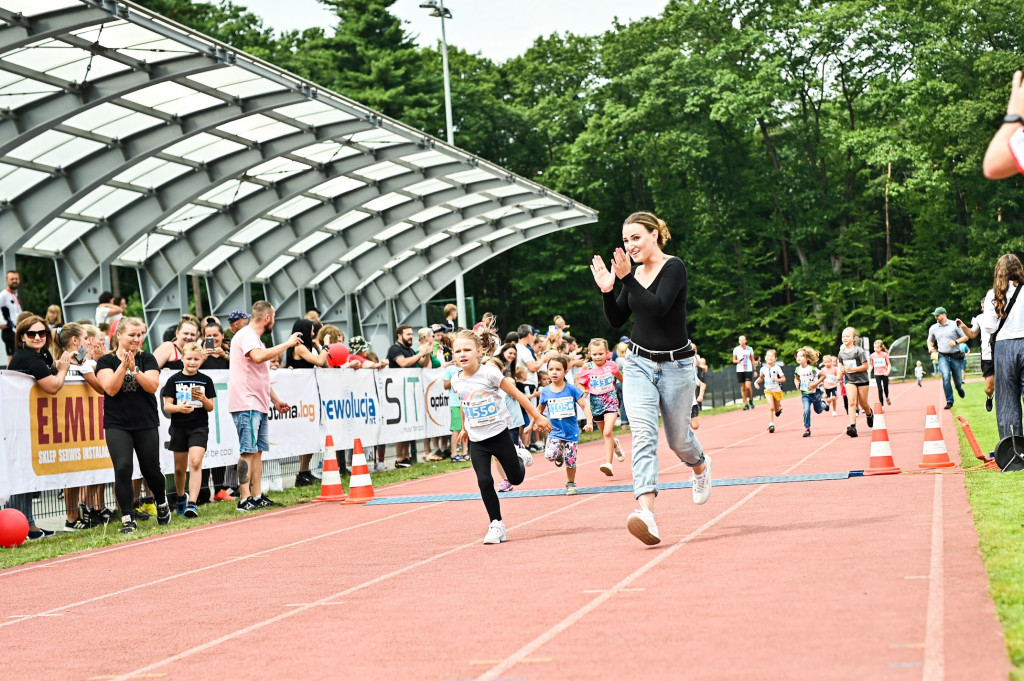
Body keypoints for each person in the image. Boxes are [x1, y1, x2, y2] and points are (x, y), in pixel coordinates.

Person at [591, 210, 711, 546]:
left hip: (677, 366)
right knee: (643, 434)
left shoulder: (674, 267)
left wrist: (628, 279)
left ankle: (699, 466)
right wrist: (607, 289)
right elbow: (617, 320)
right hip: (638, 365)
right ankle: (647, 514)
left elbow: (658, 307)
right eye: (625, 239)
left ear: (655, 234)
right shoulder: (633, 275)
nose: (629, 245)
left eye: (636, 238)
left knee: (678, 441)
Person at [451, 329, 550, 544]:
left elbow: (517, 394)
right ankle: (496, 524)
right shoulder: (456, 379)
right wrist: (465, 428)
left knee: (515, 478)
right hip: (478, 440)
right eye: (457, 351)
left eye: (467, 349)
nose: (462, 354)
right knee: (484, 480)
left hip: (498, 434)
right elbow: (464, 402)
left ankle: (519, 456)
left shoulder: (490, 373)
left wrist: (537, 416)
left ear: (479, 350)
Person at [96, 317, 171, 533]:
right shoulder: (105, 362)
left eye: (139, 335)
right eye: (132, 335)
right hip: (117, 423)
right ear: (118, 335)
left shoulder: (147, 358)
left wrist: (135, 370)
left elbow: (152, 386)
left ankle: (161, 501)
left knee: (151, 470)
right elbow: (110, 388)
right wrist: (123, 366)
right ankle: (128, 517)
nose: (137, 339)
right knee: (122, 468)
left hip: (145, 422)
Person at [229, 301, 302, 511]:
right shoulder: (247, 335)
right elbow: (259, 357)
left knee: (258, 451)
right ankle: (244, 499)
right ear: (267, 318)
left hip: (257, 403)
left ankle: (257, 495)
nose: (274, 322)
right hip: (246, 402)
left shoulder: (256, 339)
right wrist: (287, 344)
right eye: (274, 317)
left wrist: (276, 400)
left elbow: (261, 375)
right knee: (248, 451)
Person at [6, 315, 70, 538]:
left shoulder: (40, 353)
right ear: (22, 337)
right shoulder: (28, 358)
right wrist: (63, 370)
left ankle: (28, 524)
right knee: (20, 474)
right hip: (18, 422)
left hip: (28, 421)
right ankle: (17, 524)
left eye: (41, 333)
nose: (36, 337)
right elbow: (52, 386)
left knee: (26, 473)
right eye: (31, 334)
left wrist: (59, 363)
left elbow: (51, 365)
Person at [161, 342, 216, 518]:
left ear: (201, 360)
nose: (192, 362)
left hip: (199, 427)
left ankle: (192, 503)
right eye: (189, 359)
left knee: (195, 462)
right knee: (179, 468)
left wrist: (204, 398)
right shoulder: (173, 379)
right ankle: (180, 496)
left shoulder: (206, 380)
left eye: (196, 359)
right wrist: (180, 408)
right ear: (182, 358)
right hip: (179, 427)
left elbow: (210, 407)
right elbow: (167, 406)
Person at [978, 254, 1024, 441]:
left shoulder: (993, 295)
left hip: (1004, 346)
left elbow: (989, 327)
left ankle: (1014, 452)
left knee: (1007, 402)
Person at [539, 355, 593, 495]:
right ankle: (558, 455)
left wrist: (589, 422)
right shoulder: (545, 391)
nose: (554, 372)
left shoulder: (572, 389)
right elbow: (539, 410)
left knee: (571, 460)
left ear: (565, 372)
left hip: (570, 432)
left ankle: (570, 483)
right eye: (551, 369)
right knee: (550, 455)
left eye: (558, 369)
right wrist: (534, 423)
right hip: (554, 431)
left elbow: (585, 406)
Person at [578, 338, 625, 476]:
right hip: (596, 403)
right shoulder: (587, 367)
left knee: (606, 432)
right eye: (594, 354)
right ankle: (615, 445)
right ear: (590, 354)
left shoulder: (612, 366)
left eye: (600, 354)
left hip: (611, 401)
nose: (597, 357)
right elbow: (581, 383)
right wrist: (584, 390)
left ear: (607, 353)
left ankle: (609, 464)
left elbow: (621, 378)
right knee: (606, 433)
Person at [387, 324, 432, 467]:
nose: (411, 337)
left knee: (408, 426)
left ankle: (406, 457)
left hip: (409, 392)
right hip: (397, 393)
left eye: (412, 334)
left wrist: (428, 353)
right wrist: (420, 353)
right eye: (408, 334)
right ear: (399, 335)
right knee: (400, 427)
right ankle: (399, 458)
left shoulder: (409, 349)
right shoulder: (395, 349)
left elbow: (423, 364)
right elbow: (403, 363)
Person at [927, 307, 966, 409]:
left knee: (957, 380)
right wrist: (930, 347)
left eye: (938, 315)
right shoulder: (933, 328)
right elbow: (930, 340)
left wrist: (956, 342)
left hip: (955, 356)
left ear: (944, 314)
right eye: (935, 316)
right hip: (943, 356)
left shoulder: (954, 325)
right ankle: (949, 400)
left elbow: (965, 337)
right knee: (946, 377)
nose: (936, 317)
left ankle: (959, 387)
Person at [958, 301, 994, 411]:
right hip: (987, 356)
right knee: (989, 388)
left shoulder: (1001, 315)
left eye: (984, 306)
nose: (982, 309)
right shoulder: (979, 318)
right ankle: (989, 397)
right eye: (981, 307)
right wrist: (963, 326)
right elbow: (972, 334)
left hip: (1002, 354)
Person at [838, 327, 874, 437]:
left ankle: (869, 413)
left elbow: (865, 366)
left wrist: (853, 369)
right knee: (851, 402)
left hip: (862, 380)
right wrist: (841, 372)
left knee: (863, 403)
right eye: (843, 336)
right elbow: (841, 364)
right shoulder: (841, 352)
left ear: (854, 338)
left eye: (847, 336)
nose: (844, 338)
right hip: (850, 380)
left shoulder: (859, 351)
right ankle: (852, 427)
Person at [795, 347, 828, 437]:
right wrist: (797, 383)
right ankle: (807, 429)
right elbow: (796, 378)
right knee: (806, 410)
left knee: (818, 410)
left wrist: (815, 384)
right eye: (797, 356)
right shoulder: (797, 369)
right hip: (805, 394)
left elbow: (823, 376)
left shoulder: (812, 369)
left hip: (815, 393)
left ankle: (824, 405)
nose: (798, 358)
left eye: (801, 356)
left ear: (807, 358)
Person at [753, 348, 785, 433]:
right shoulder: (763, 369)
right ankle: (771, 424)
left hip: (777, 390)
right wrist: (756, 382)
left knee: (776, 410)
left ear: (775, 358)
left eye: (772, 356)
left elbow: (783, 379)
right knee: (770, 407)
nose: (769, 357)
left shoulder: (777, 368)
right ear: (765, 357)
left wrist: (778, 380)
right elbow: (761, 377)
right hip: (768, 391)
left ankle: (778, 410)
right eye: (768, 356)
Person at [0, 270, 22, 357]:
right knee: (15, 356)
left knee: (12, 357)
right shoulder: (3, 295)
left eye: (16, 279)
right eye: (12, 279)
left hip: (16, 330)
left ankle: (11, 370)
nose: (14, 281)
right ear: (6, 281)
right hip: (8, 330)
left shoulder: (16, 294)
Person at [733, 335, 756, 410]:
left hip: (748, 369)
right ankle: (746, 404)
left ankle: (751, 400)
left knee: (748, 386)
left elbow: (753, 359)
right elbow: (734, 360)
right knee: (742, 387)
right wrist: (738, 361)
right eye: (740, 340)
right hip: (740, 370)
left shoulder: (750, 348)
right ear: (738, 341)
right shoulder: (736, 349)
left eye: (743, 340)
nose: (741, 341)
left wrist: (755, 370)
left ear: (745, 340)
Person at [870, 340, 893, 407]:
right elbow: (872, 365)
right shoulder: (872, 356)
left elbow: (889, 364)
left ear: (881, 348)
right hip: (877, 374)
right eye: (874, 348)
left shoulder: (884, 355)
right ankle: (882, 405)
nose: (876, 349)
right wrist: (869, 372)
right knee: (880, 389)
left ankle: (887, 397)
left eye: (877, 347)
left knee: (886, 387)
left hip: (884, 373)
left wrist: (888, 371)